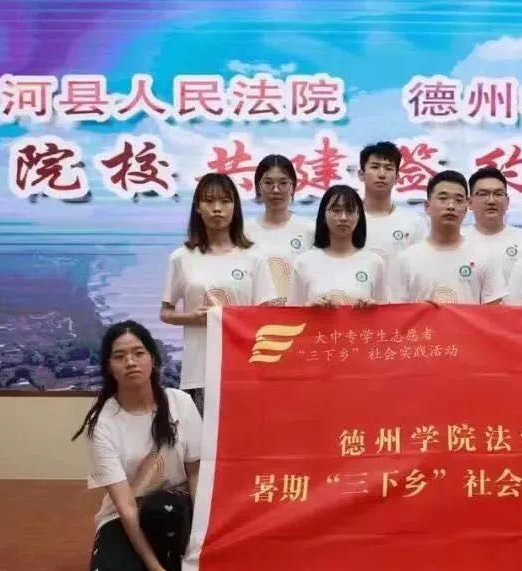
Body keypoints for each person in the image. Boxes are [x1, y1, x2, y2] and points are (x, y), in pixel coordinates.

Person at [73, 320, 204, 571]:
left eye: (138, 353)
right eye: (119, 356)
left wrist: (199, 538)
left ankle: (175, 560)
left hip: (176, 509)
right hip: (129, 513)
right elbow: (127, 507)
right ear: (109, 367)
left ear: (153, 359)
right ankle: (153, 568)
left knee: (163, 509)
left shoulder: (180, 403)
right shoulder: (103, 424)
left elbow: (195, 473)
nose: (130, 362)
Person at [161, 173, 280, 413]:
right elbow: (166, 312)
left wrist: (232, 317)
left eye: (225, 201)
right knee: (202, 435)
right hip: (200, 371)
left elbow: (267, 316)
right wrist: (192, 318)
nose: (217, 209)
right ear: (197, 207)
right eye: (209, 201)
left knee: (246, 433)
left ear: (235, 207)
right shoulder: (181, 258)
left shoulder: (254, 257)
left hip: (245, 368)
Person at [394, 170, 506, 304]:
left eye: (458, 200)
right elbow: (397, 311)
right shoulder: (406, 259)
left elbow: (493, 312)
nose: (451, 206)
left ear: (466, 207)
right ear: (427, 206)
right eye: (443, 199)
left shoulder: (484, 257)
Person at [289, 185, 389, 307]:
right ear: (323, 215)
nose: (343, 218)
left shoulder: (374, 262)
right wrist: (309, 308)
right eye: (336, 211)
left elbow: (385, 312)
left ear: (359, 216)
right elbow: (292, 313)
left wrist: (373, 307)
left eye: (350, 211)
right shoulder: (304, 262)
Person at [244, 154, 315, 299]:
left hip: (298, 310)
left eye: (283, 183)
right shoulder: (244, 230)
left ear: (293, 187)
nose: (276, 190)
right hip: (256, 311)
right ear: (258, 188)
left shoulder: (310, 229)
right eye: (268, 183)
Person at [464, 166, 522, 280]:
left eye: (498, 194)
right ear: (469, 203)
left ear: (507, 202)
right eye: (483, 194)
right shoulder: (457, 240)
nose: (491, 200)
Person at [358, 141, 425, 266]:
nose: (382, 174)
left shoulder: (413, 222)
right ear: (361, 174)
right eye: (375, 167)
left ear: (397, 177)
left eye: (388, 168)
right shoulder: (347, 219)